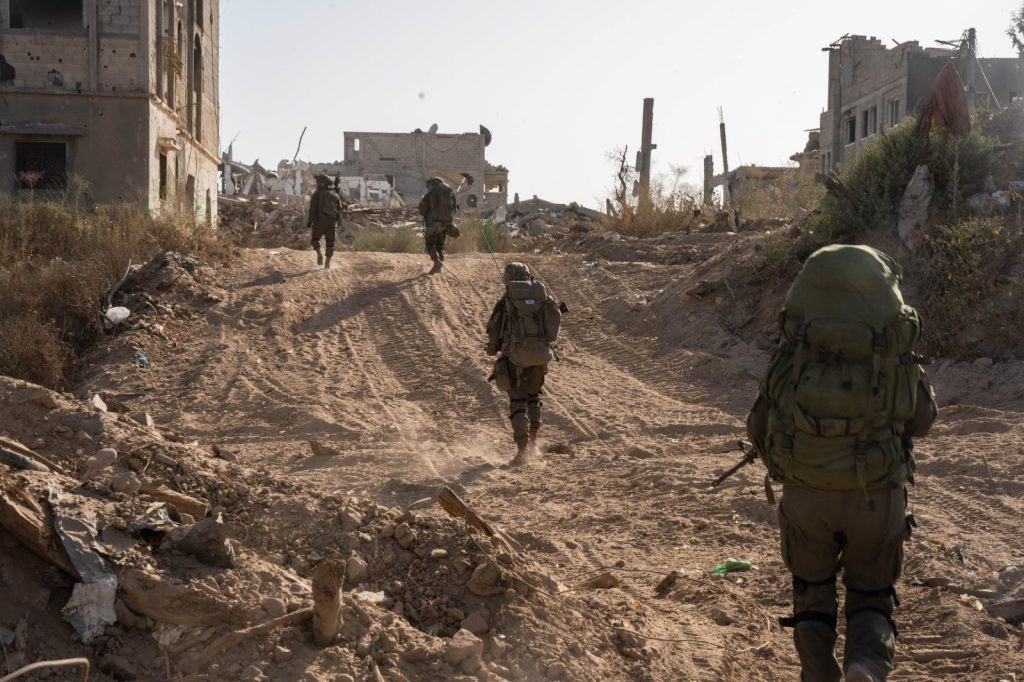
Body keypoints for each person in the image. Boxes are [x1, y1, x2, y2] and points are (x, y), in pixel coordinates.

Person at [746, 245, 937, 682]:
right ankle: (865, 665)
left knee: (810, 593)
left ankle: (820, 675)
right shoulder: (892, 354)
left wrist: (786, 465)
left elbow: (758, 422)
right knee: (872, 592)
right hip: (874, 496)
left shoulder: (794, 352)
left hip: (805, 495)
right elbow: (922, 422)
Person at [486, 262, 561, 465]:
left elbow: (494, 329)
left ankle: (521, 452)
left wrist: (492, 348)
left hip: (515, 357)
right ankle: (533, 445)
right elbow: (553, 330)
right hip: (540, 355)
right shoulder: (543, 298)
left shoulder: (507, 301)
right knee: (534, 398)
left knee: (517, 401)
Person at [417, 176, 460, 274]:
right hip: (446, 224)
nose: (428, 188)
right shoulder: (449, 193)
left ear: (433, 184)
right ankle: (438, 268)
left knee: (430, 245)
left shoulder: (430, 194)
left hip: (433, 225)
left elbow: (422, 210)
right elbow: (455, 209)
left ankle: (437, 262)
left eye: (429, 186)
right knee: (440, 245)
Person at [308, 174, 342, 269]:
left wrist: (310, 221)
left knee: (314, 239)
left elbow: (312, 209)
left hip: (319, 221)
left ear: (322, 183)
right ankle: (327, 263)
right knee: (330, 243)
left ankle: (319, 253)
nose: (317, 184)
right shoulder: (334, 193)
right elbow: (340, 207)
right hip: (331, 222)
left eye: (318, 182)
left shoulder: (317, 194)